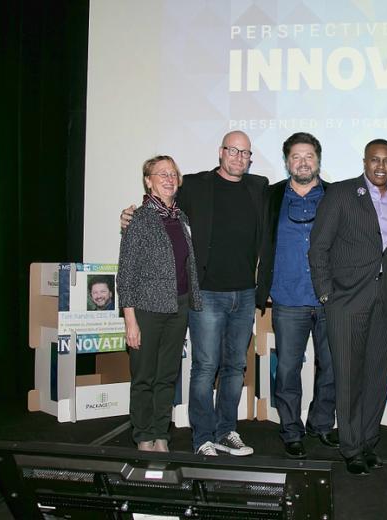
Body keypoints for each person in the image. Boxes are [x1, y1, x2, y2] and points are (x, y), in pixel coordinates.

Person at [121, 131, 268, 457]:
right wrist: (126, 216)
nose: (238, 157)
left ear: (250, 158)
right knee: (204, 367)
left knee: (233, 368)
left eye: (245, 152)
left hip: (243, 294)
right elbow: (129, 267)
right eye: (232, 150)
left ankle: (225, 431)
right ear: (221, 152)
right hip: (205, 295)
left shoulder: (258, 187)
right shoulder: (194, 187)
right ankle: (201, 437)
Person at [308, 138, 387, 476]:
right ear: (365, 162)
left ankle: (368, 441)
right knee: (349, 378)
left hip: (386, 301)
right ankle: (351, 447)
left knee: (376, 376)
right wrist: (326, 295)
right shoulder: (341, 194)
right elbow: (318, 247)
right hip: (346, 301)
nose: (381, 166)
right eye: (375, 160)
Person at [256, 132, 339, 458]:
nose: (303, 162)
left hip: (329, 298)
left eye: (309, 156)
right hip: (287, 299)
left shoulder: (336, 195)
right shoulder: (271, 196)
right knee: (288, 369)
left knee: (331, 367)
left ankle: (321, 424)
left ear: (318, 160)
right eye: (296, 157)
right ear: (286, 162)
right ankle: (291, 430)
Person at [117, 155, 202, 452]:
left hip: (178, 307)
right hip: (146, 310)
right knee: (144, 377)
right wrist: (130, 321)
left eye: (173, 174)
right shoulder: (139, 219)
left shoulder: (181, 218)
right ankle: (143, 435)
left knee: (167, 376)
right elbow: (126, 273)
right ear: (148, 181)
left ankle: (161, 434)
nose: (169, 179)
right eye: (161, 174)